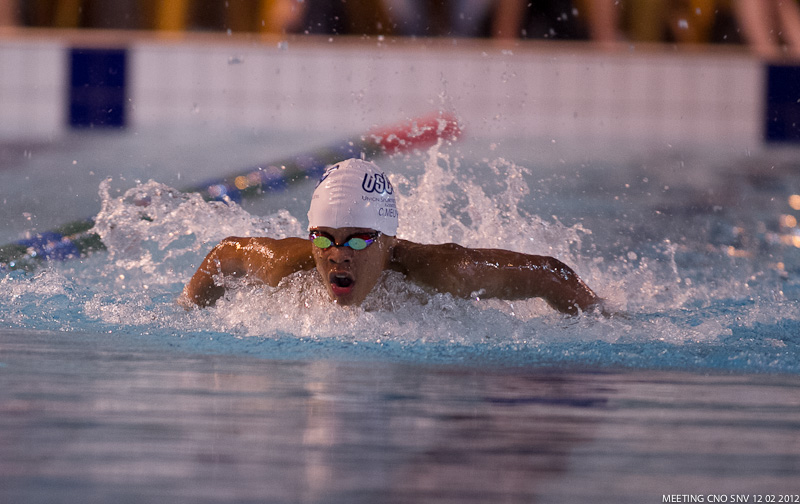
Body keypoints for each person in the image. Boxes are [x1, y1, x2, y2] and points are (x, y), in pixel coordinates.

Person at [181, 158, 605, 316]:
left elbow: (549, 273)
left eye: (358, 239)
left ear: (388, 239)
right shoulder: (285, 265)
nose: (337, 255)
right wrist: (185, 310)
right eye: (324, 238)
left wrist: (602, 317)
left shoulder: (445, 272)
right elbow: (226, 253)